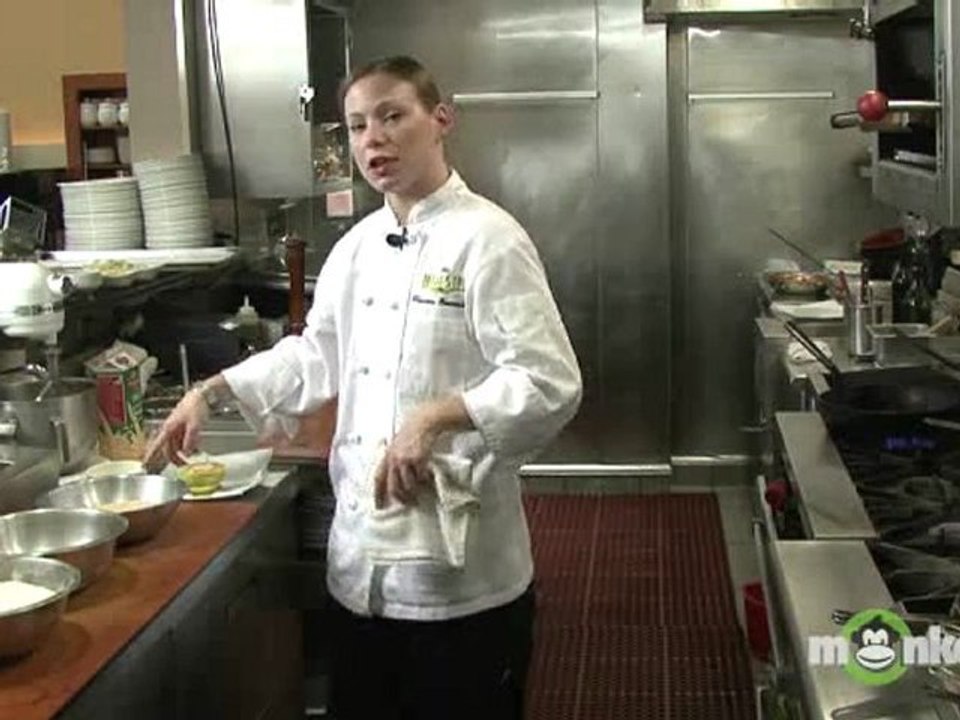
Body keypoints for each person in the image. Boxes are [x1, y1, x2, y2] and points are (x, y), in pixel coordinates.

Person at [145, 55, 582, 720]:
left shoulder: (488, 240)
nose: (372, 138)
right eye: (356, 126)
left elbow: (550, 380)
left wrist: (438, 415)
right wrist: (212, 391)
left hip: (460, 582)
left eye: (391, 115)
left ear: (440, 120)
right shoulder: (354, 250)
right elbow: (314, 358)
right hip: (360, 579)